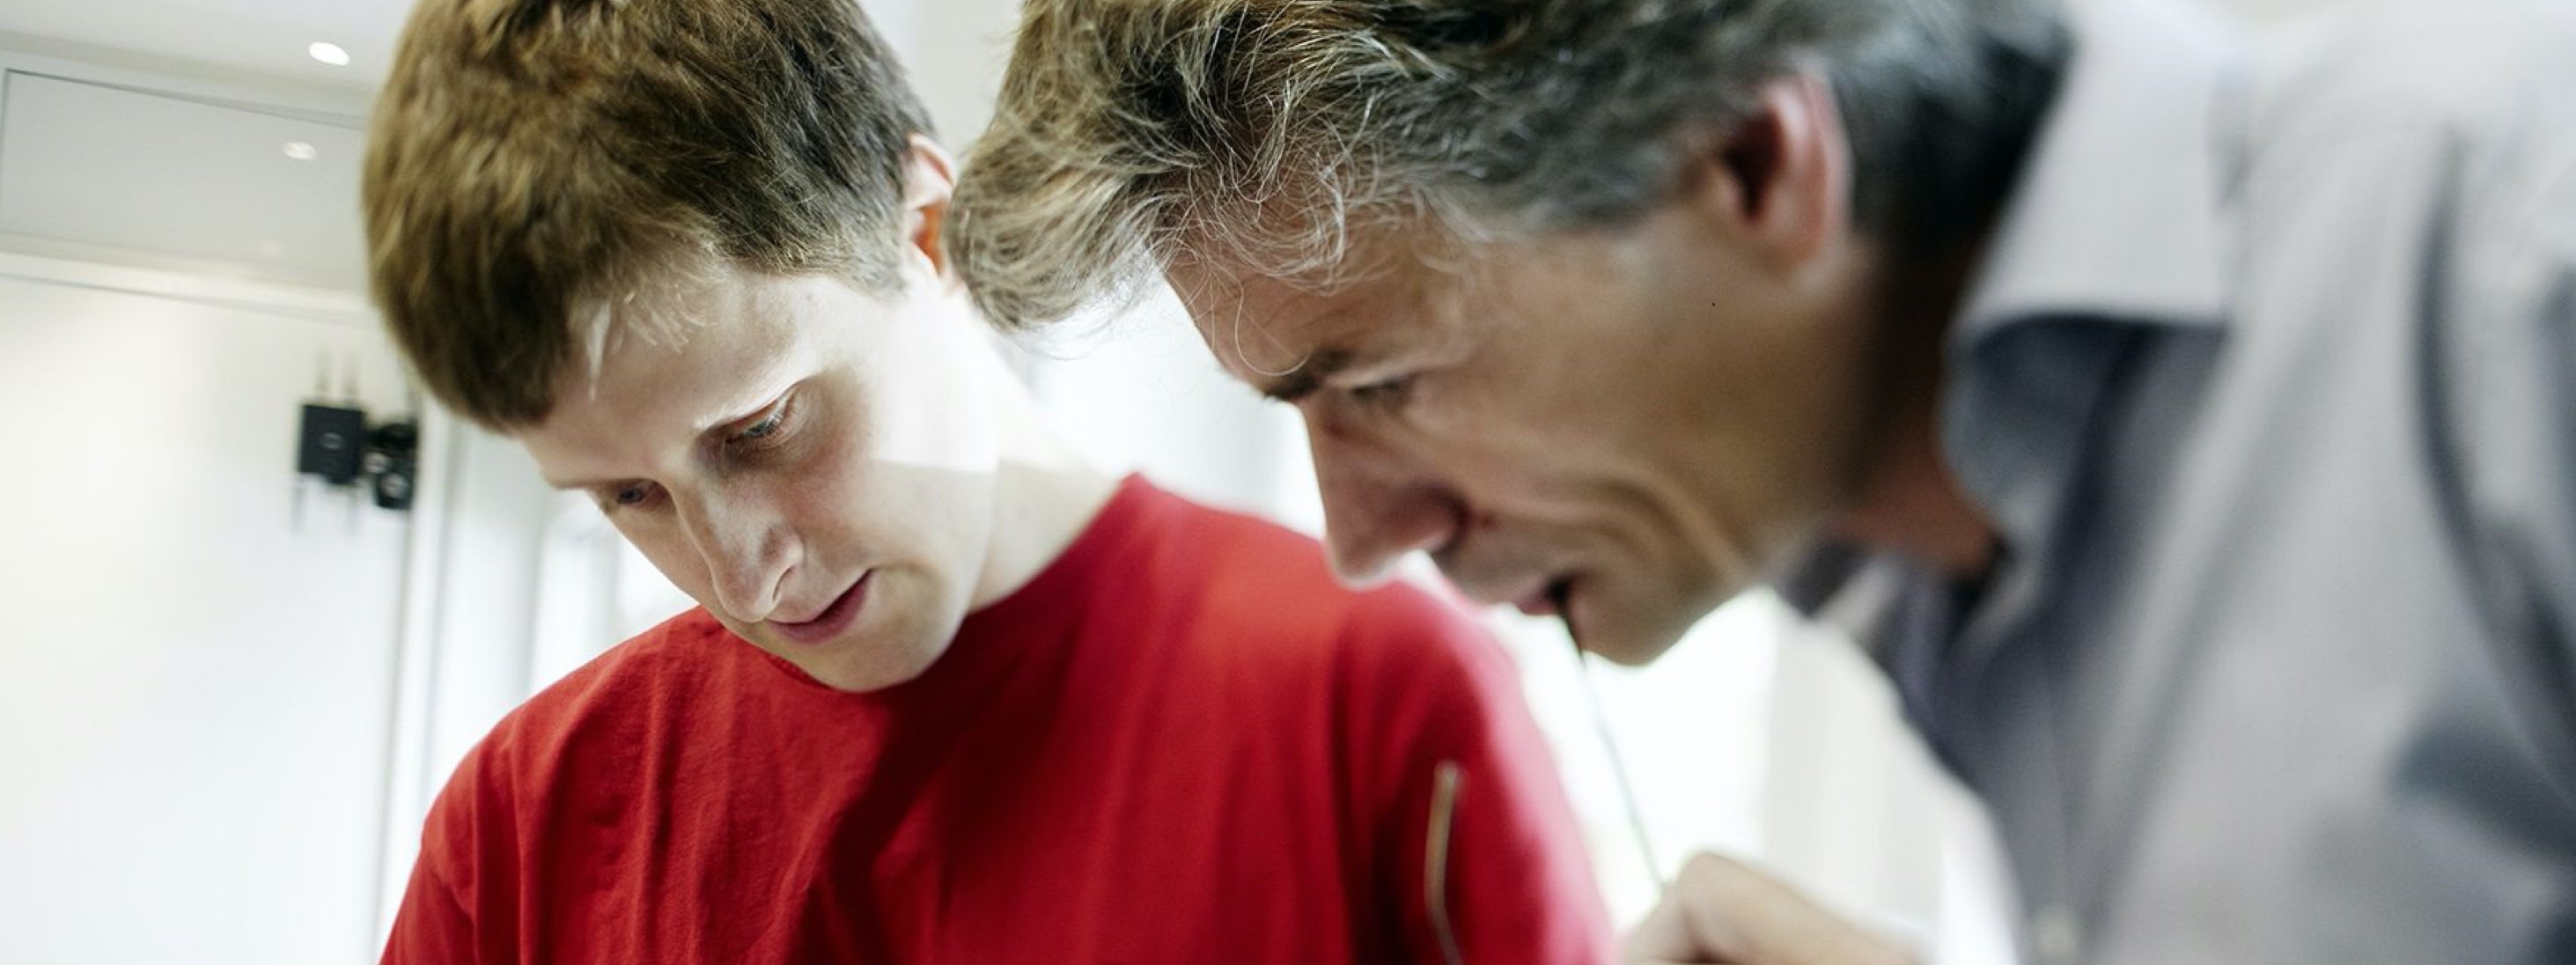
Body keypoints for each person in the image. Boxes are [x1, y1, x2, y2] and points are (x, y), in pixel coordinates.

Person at [944, 0, 2576, 961]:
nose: (1362, 542)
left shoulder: (2509, 257)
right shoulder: (1943, 560)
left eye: (1378, 385)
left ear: (1748, 161)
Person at [359, 0, 1614, 961]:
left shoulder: (1374, 703)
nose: (741, 576)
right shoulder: (521, 827)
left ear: (922, 231)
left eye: (761, 429)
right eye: (627, 496)